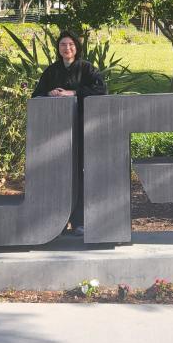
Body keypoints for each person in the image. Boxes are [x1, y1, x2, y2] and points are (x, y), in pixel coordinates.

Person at [32, 30, 107, 235]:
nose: (67, 48)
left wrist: (73, 93)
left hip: (81, 129)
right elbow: (36, 94)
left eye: (71, 44)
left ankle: (79, 221)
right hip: (56, 133)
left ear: (77, 47)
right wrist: (49, 93)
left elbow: (101, 90)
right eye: (63, 45)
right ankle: (57, 222)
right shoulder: (52, 71)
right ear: (58, 48)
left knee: (80, 174)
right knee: (58, 175)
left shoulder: (86, 68)